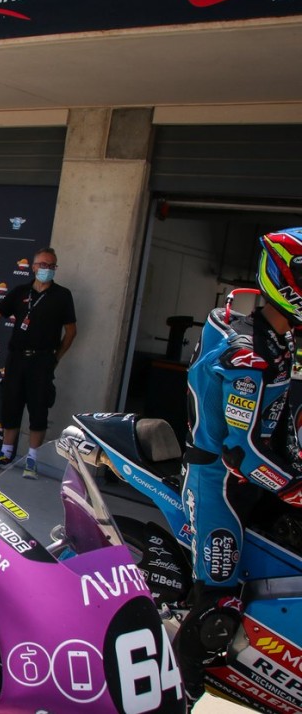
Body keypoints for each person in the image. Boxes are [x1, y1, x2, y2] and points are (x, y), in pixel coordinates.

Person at [174, 227, 302, 702]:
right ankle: (179, 695)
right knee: (218, 607)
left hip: (262, 481)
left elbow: (285, 420)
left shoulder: (284, 341)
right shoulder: (246, 352)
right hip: (219, 480)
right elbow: (241, 450)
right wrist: (294, 489)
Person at [0, 247, 76, 478]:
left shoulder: (62, 295)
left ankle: (33, 459)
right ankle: (5, 453)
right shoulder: (20, 292)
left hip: (43, 359)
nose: (47, 269)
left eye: (52, 265)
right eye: (43, 265)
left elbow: (71, 331)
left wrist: (56, 357)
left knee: (38, 407)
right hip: (16, 358)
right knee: (11, 403)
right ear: (33, 267)